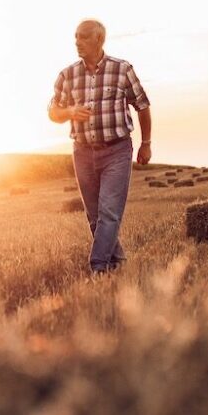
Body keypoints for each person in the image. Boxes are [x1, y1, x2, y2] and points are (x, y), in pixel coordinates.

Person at [48, 19, 152, 274]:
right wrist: (70, 110)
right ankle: (118, 262)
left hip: (117, 150)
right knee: (95, 217)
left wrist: (146, 143)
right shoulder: (67, 75)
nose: (77, 42)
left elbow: (142, 105)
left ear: (98, 39)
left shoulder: (122, 69)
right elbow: (53, 112)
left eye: (83, 37)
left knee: (109, 213)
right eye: (75, 37)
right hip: (82, 152)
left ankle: (97, 268)